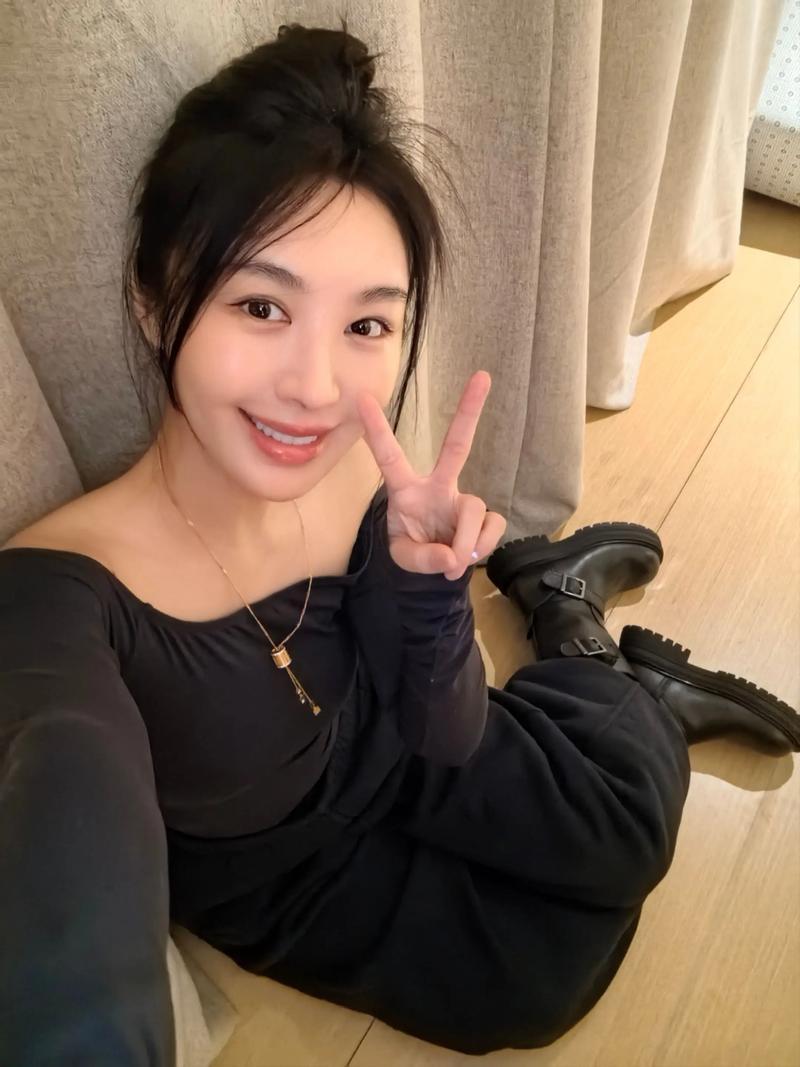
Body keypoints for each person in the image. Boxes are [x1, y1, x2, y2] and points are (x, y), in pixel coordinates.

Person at [1, 20, 797, 1066]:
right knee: (534, 982)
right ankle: (591, 650)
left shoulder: (351, 473)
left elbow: (446, 730)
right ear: (154, 302)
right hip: (293, 875)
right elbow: (65, 855)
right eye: (260, 305)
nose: (315, 387)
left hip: (397, 743)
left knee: (627, 830)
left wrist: (430, 593)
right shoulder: (56, 597)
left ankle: (585, 643)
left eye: (366, 325)